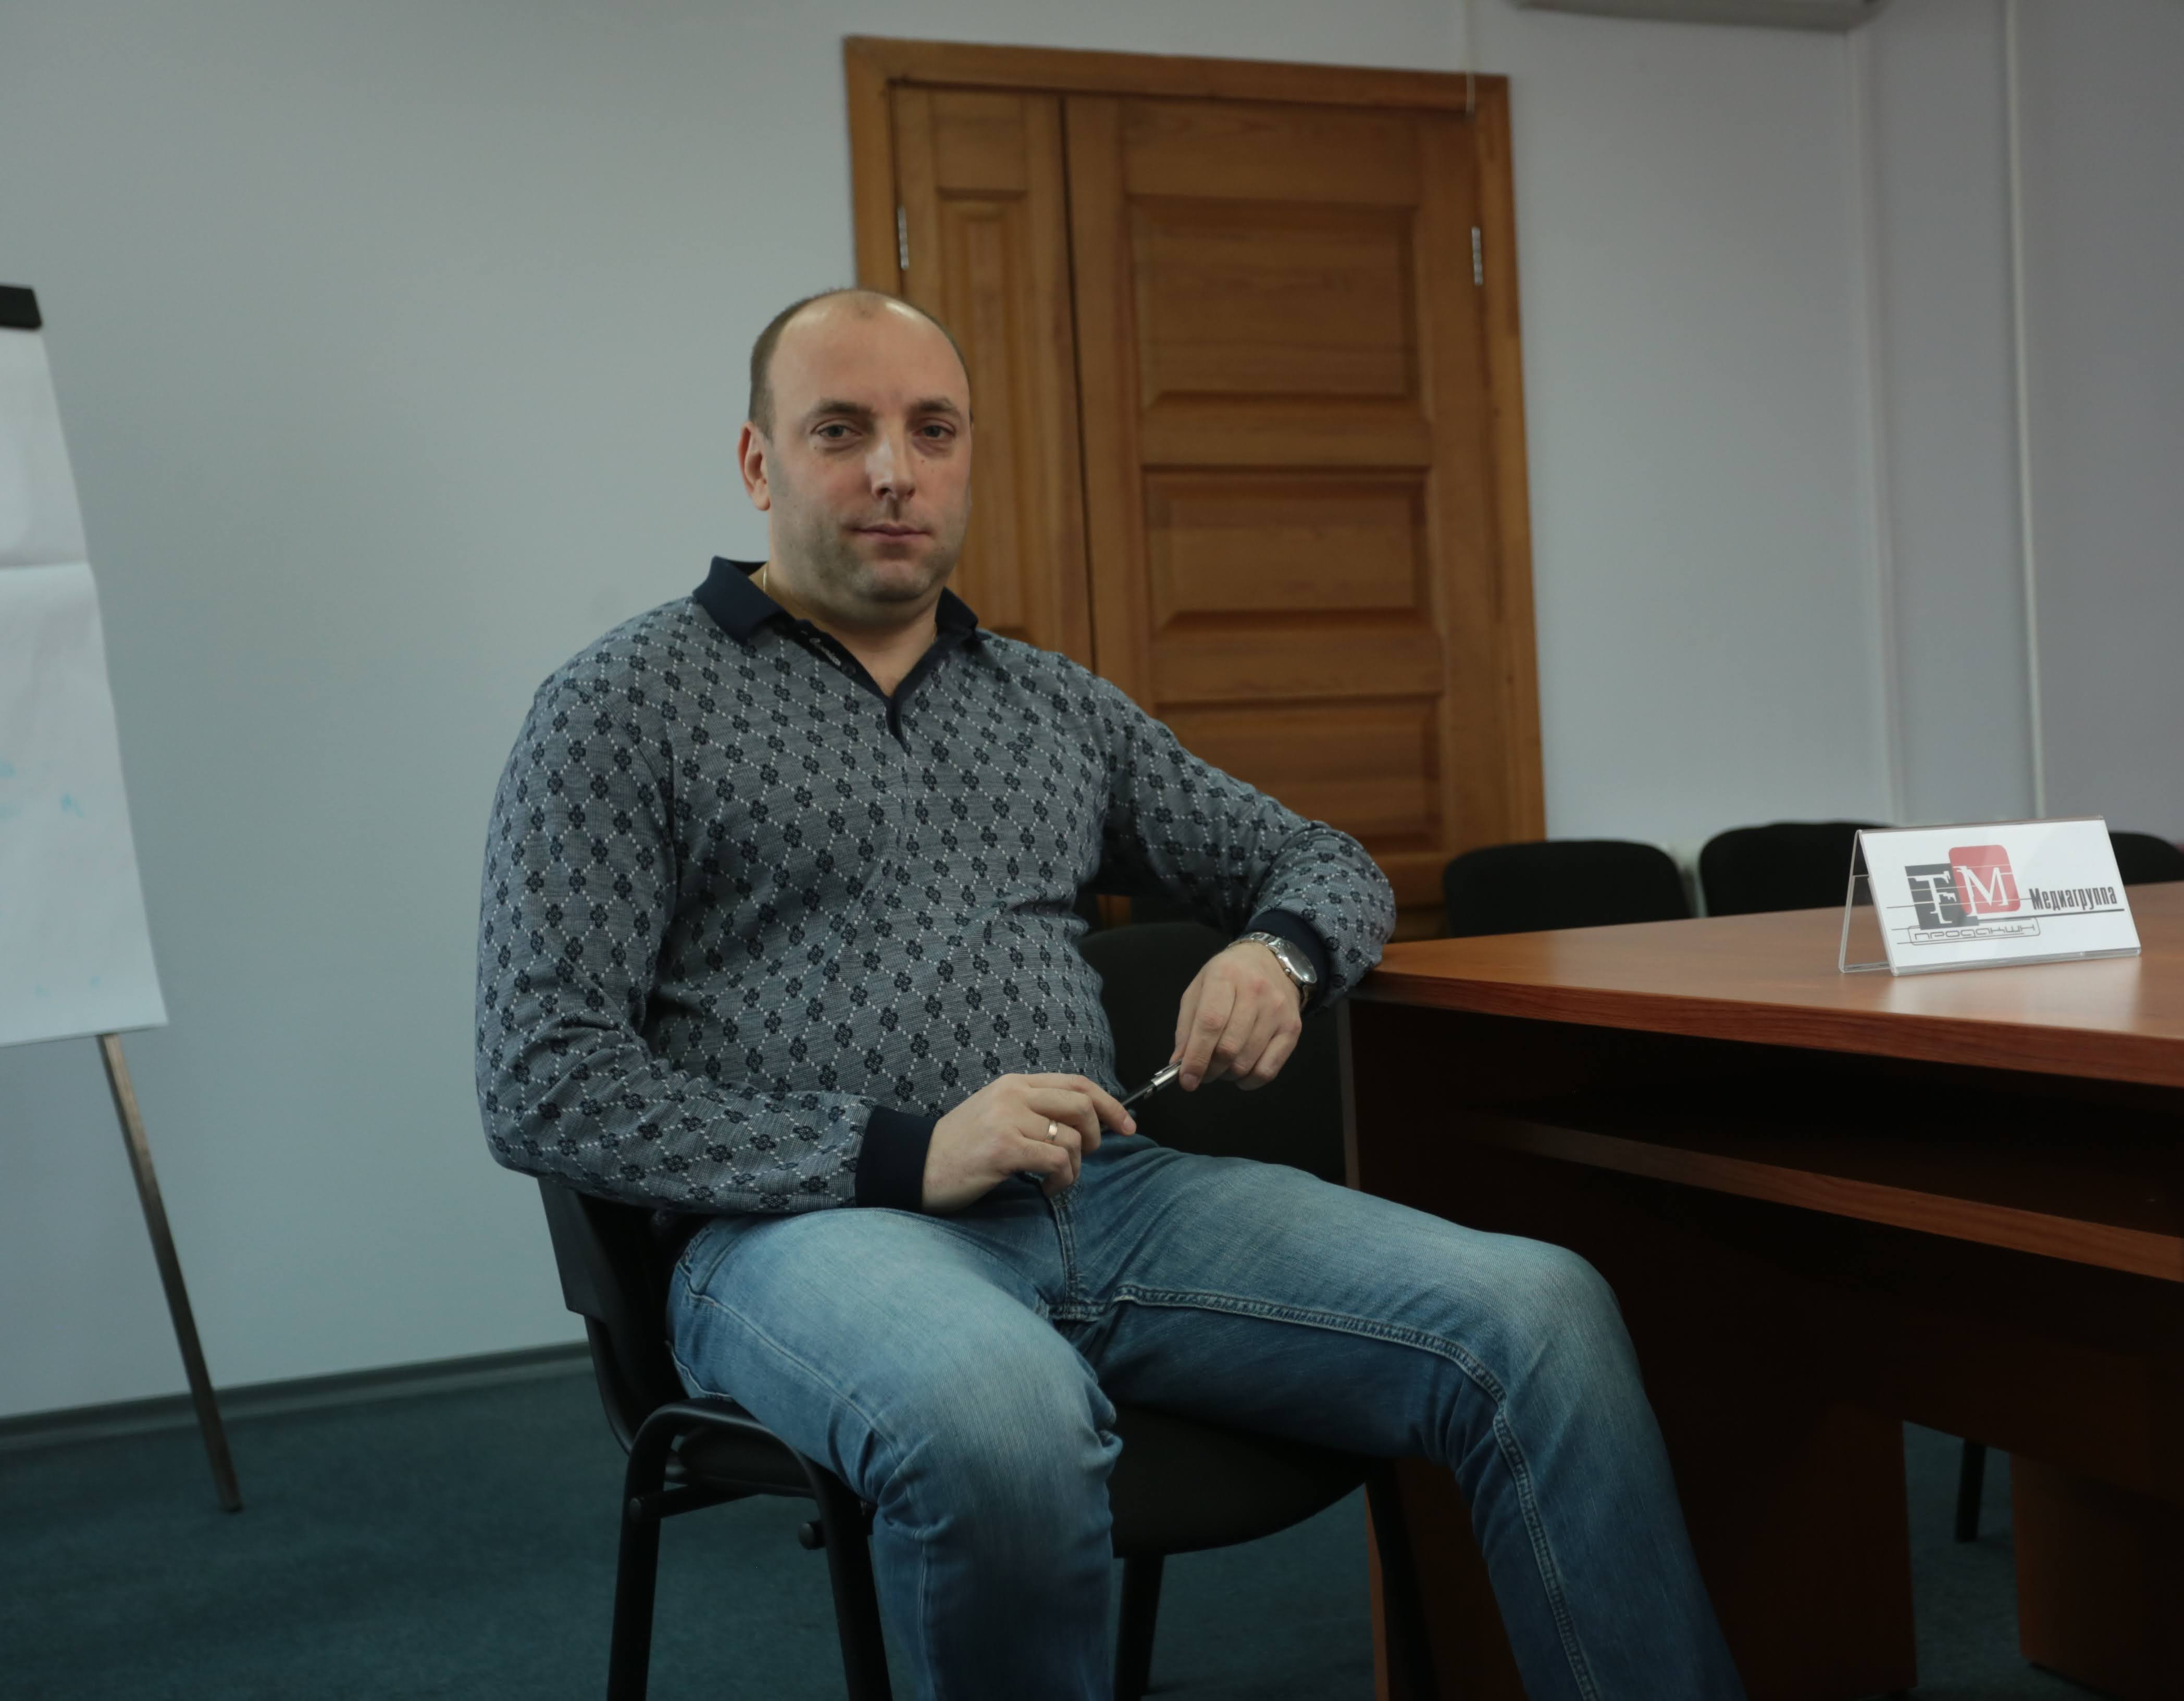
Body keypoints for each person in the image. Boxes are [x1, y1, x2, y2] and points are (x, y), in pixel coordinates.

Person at [476, 288, 1743, 1699]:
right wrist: (898, 1150)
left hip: (1108, 1196)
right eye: (841, 430)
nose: (894, 471)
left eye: (933, 430)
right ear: (758, 462)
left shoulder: (1051, 706)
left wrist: (1277, 954)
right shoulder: (622, 705)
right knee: (999, 1416)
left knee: (1543, 1313)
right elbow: (542, 1073)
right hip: (806, 1235)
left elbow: (1320, 862)